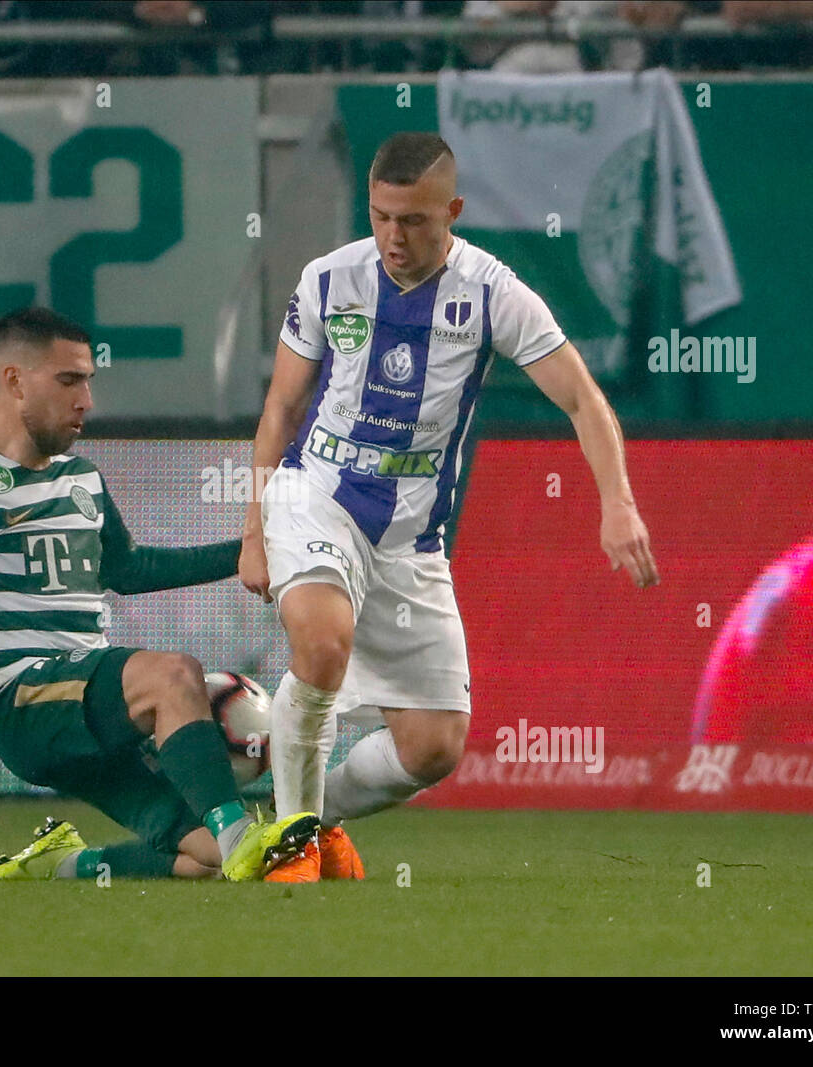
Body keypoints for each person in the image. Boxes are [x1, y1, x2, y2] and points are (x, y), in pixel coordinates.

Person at [241, 132, 660, 882]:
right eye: (381, 218)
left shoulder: (493, 293)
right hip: (317, 497)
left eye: (415, 222)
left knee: (434, 746)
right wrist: (255, 527)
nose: (394, 238)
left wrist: (617, 503)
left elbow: (582, 398)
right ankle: (293, 847)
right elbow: (280, 406)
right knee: (323, 639)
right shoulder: (329, 280)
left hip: (410, 539)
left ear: (453, 212)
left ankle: (305, 813)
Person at [0, 307, 318, 883]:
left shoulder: (82, 476)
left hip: (88, 701)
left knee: (199, 861)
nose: (86, 398)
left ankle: (62, 864)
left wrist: (245, 553)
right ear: (14, 381)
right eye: (68, 381)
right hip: (21, 701)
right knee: (173, 675)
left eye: (88, 380)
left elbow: (130, 568)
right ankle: (240, 834)